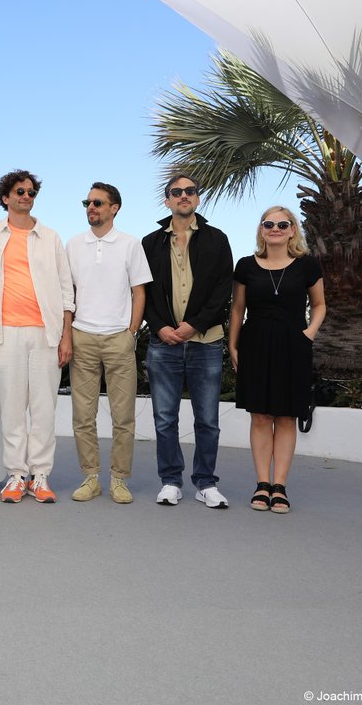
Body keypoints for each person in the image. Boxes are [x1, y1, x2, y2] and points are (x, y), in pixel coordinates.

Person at [0, 170, 75, 504]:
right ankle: (17, 476)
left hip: (46, 333)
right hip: (4, 333)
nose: (26, 196)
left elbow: (66, 289)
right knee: (13, 409)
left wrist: (66, 335)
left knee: (44, 408)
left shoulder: (50, 237)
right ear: (5, 197)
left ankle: (41, 475)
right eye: (19, 191)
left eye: (31, 192)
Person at [141, 175, 233, 508]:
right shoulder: (150, 243)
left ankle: (206, 483)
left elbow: (223, 290)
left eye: (189, 191)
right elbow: (143, 292)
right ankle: (170, 481)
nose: (183, 196)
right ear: (167, 201)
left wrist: (193, 325)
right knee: (165, 418)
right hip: (162, 343)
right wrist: (162, 326)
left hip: (205, 342)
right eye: (176, 192)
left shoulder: (217, 239)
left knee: (207, 418)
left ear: (198, 198)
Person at [230, 205, 325, 514]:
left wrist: (308, 334)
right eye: (268, 223)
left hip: (293, 345)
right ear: (261, 229)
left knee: (285, 416)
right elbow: (237, 309)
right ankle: (262, 484)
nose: (275, 228)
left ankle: (280, 486)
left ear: (292, 230)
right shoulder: (245, 265)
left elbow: (320, 305)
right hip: (254, 343)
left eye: (282, 224)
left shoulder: (307, 266)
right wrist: (233, 346)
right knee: (259, 415)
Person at [65, 183, 153, 505]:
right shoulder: (73, 244)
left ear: (114, 207)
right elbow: (68, 292)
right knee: (82, 416)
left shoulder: (130, 244)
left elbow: (139, 292)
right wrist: (68, 333)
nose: (91, 207)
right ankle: (91, 478)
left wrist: (131, 332)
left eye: (97, 202)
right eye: (87, 201)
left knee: (123, 416)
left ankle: (119, 479)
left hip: (119, 338)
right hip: (83, 337)